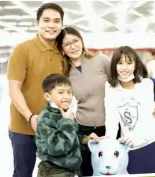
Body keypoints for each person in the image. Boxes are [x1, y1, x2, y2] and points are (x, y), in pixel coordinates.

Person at [7, 3, 64, 177]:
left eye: (56, 21)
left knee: (55, 173)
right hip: (23, 128)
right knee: (23, 173)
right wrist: (30, 116)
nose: (51, 25)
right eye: (46, 20)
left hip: (55, 129)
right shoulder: (22, 50)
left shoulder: (63, 52)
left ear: (62, 25)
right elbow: (13, 88)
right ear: (36, 22)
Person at [56, 26, 120, 176]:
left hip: (110, 128)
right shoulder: (63, 73)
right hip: (84, 132)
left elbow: (122, 84)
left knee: (113, 170)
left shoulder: (101, 60)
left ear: (82, 41)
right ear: (62, 48)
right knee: (86, 172)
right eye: (67, 44)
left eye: (75, 41)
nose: (73, 46)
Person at [105, 46, 155, 174]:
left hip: (151, 141)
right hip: (128, 145)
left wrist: (133, 140)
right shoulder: (109, 87)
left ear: (135, 65)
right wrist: (110, 145)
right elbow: (111, 120)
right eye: (120, 63)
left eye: (129, 63)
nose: (124, 67)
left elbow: (146, 118)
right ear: (114, 65)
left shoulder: (146, 84)